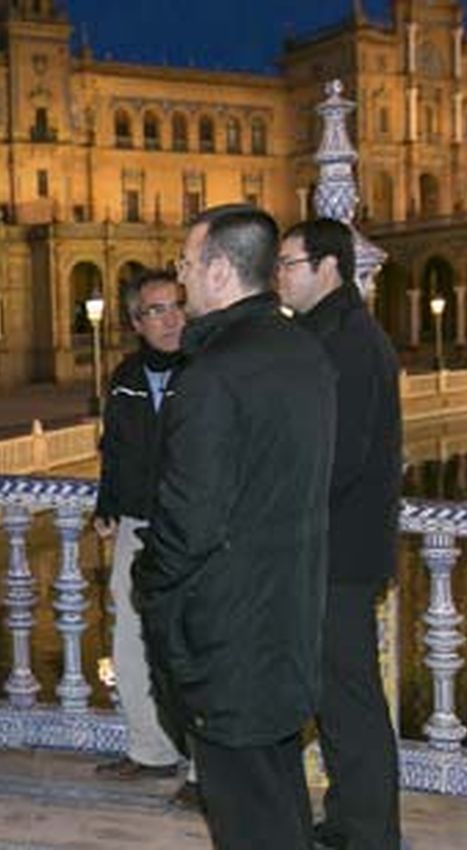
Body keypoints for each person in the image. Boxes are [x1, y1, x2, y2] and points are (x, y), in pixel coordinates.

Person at [133, 205, 337, 850]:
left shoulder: (212, 376)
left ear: (220, 271)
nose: (182, 279)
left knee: (245, 817)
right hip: (289, 615)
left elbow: (188, 520)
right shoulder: (303, 350)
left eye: (188, 264)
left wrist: (150, 584)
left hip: (227, 634)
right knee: (279, 801)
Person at [277, 218, 404, 850]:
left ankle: (372, 832)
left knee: (350, 698)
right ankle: (355, 821)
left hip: (338, 553)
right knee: (336, 694)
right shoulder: (331, 332)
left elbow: (341, 456)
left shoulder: (348, 341)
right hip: (334, 549)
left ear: (327, 266)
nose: (280, 275)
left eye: (289, 263)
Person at [92, 271, 191, 787]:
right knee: (130, 640)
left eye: (177, 305)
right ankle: (150, 749)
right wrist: (108, 503)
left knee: (194, 644)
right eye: (156, 310)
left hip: (193, 529)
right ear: (136, 321)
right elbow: (116, 448)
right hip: (137, 524)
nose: (171, 318)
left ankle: (200, 766)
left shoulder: (206, 368)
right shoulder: (127, 375)